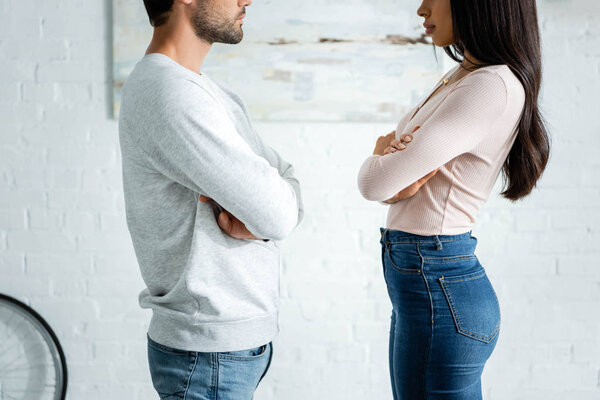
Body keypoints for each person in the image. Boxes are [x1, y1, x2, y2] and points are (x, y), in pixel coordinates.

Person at [357, 0, 550, 398]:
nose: (421, 8)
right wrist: (392, 176)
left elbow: (375, 184)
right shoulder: (465, 75)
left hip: (438, 283)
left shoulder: (489, 84)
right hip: (431, 284)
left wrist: (379, 158)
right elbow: (393, 185)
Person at [118, 0, 303, 398]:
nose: (246, 0)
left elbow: (287, 187)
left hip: (226, 348)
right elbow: (279, 214)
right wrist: (268, 208)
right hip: (208, 354)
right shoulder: (171, 93)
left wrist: (268, 206)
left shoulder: (209, 93)